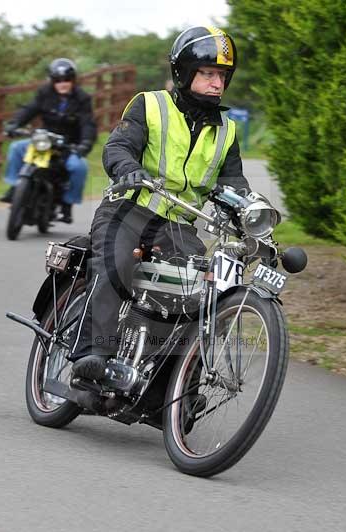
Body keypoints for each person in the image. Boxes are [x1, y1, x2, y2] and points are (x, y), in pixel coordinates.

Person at [71, 26, 251, 380]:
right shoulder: (150, 105)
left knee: (202, 292)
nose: (217, 83)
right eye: (208, 73)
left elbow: (233, 180)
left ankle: (170, 389)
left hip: (178, 226)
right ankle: (92, 354)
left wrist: (249, 210)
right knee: (116, 263)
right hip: (131, 209)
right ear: (184, 72)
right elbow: (119, 146)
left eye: (223, 76)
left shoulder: (227, 130)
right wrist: (129, 169)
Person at [0, 58, 97, 224]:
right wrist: (14, 124)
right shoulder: (45, 92)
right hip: (43, 140)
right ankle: (15, 186)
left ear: (73, 80)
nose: (62, 83)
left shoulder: (82, 98)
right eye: (57, 80)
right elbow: (30, 109)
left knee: (79, 167)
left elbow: (88, 123)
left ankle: (67, 203)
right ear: (52, 80)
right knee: (16, 148)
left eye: (66, 79)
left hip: (68, 145)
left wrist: (85, 143)